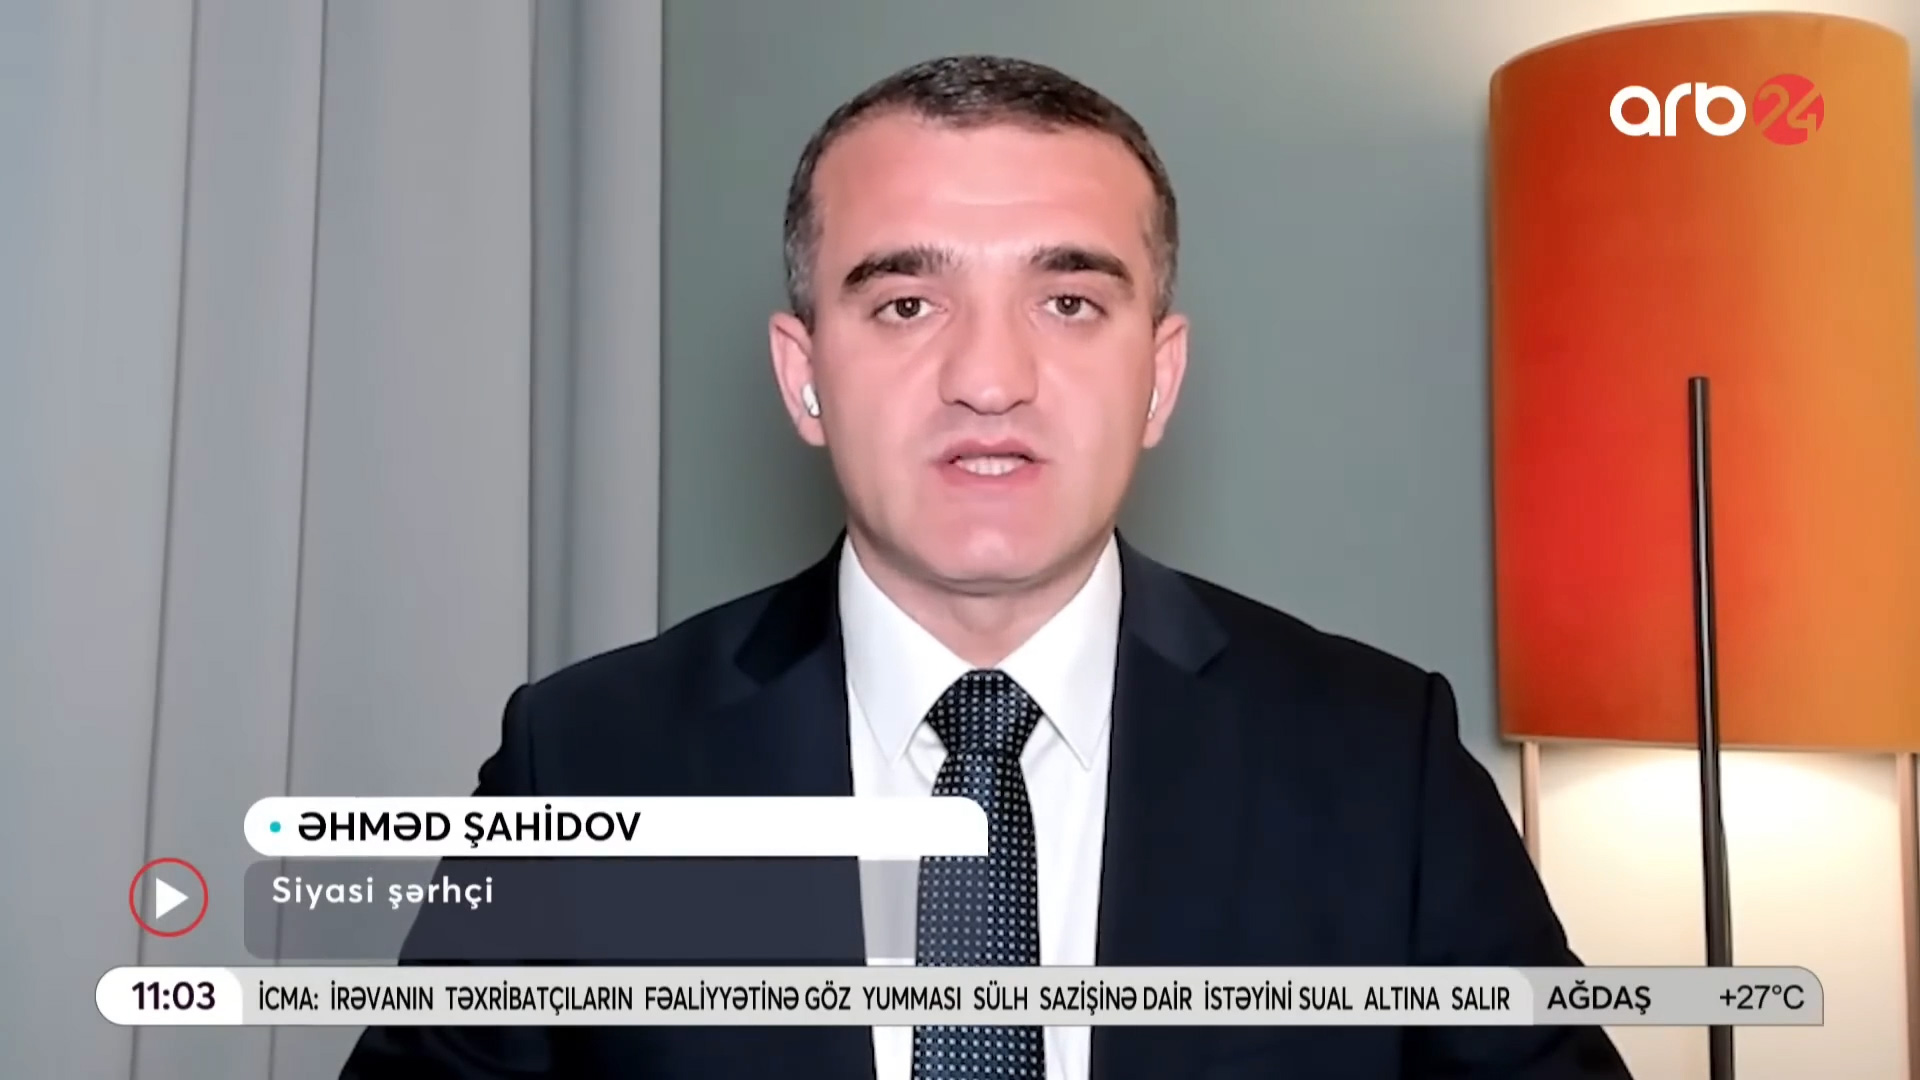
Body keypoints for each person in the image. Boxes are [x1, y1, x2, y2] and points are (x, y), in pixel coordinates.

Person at [343, 54, 1631, 1080]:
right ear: (804, 376)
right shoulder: (587, 759)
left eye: (1069, 303)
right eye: (906, 304)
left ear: (1158, 378)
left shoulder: (1382, 763)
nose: (990, 378)